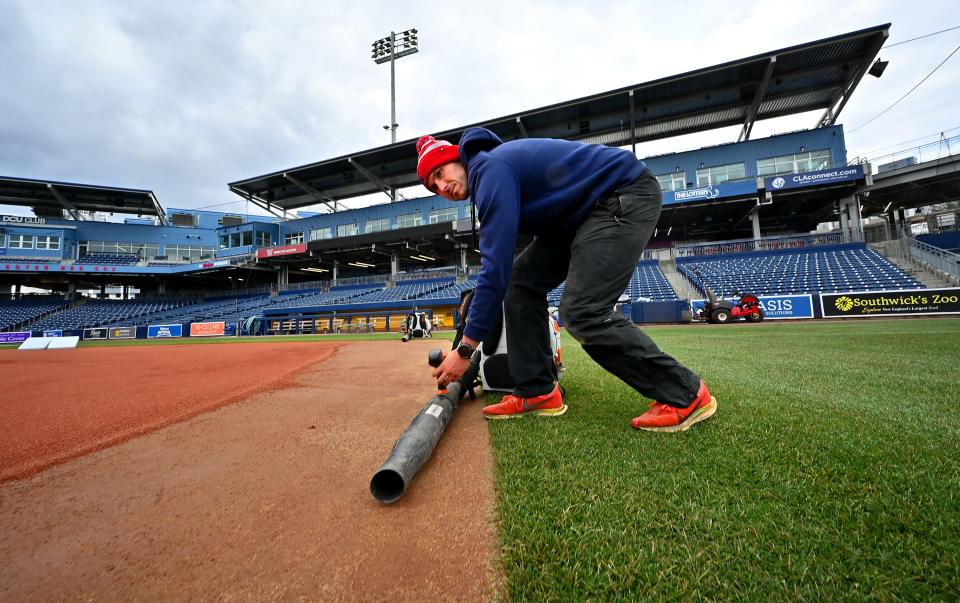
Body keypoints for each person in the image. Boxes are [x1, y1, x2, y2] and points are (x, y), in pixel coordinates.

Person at [417, 128, 716, 432]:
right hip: (577, 217)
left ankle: (685, 394)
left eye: (441, 173)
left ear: (457, 158)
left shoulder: (490, 169)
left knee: (583, 311)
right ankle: (537, 391)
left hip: (621, 194)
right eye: (434, 186)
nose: (443, 186)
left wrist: (466, 349)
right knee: (519, 282)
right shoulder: (490, 171)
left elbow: (494, 269)